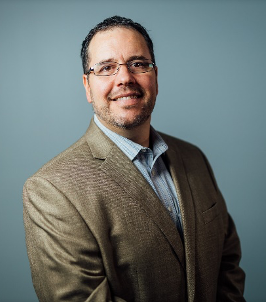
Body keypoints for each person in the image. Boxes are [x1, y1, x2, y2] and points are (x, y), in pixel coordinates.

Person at [23, 16, 246, 302]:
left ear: (155, 75)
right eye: (106, 68)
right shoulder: (51, 189)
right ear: (87, 86)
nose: (125, 78)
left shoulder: (194, 158)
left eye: (138, 64)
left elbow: (228, 263)